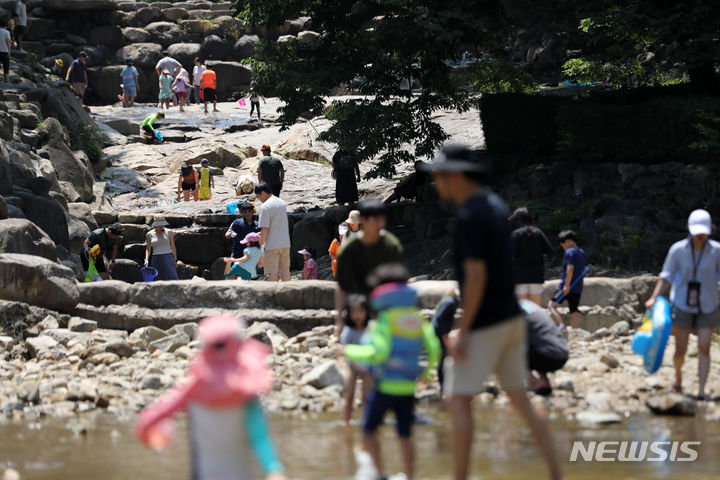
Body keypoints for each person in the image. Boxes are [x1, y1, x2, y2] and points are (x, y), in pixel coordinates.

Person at [424, 144, 563, 480]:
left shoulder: (471, 215)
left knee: (457, 399)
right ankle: (558, 474)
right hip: (513, 318)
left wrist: (464, 331)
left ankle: (459, 476)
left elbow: (475, 276)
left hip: (487, 323)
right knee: (521, 400)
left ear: (456, 175)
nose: (436, 183)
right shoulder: (495, 205)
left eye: (440, 175)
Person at [134, 315, 287, 480]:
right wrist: (274, 470)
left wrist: (155, 437)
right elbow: (260, 439)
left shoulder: (194, 389)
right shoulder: (245, 395)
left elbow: (148, 421)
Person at [339, 264, 440, 480]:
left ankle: (379, 472)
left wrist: (349, 350)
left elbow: (379, 352)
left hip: (384, 386)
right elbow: (434, 347)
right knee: (405, 435)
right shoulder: (416, 318)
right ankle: (410, 476)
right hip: (407, 386)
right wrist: (427, 371)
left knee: (369, 430)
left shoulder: (384, 320)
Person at [645, 209, 720, 400]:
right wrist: (654, 297)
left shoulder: (716, 250)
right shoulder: (678, 250)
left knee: (704, 348)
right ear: (689, 229)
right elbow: (666, 276)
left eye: (703, 231)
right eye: (697, 231)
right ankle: (677, 379)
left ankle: (702, 390)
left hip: (708, 304)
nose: (700, 235)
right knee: (681, 349)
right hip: (682, 303)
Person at [334, 199, 403, 336]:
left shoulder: (391, 245)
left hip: (384, 310)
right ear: (363, 221)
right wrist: (339, 319)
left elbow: (398, 283)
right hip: (356, 311)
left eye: (382, 220)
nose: (380, 224)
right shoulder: (348, 249)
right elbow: (341, 285)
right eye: (375, 220)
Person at [522, 299, 569, 396]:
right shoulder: (529, 305)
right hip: (563, 354)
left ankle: (534, 382)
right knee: (538, 342)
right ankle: (544, 382)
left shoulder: (512, 311)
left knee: (510, 350)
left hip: (546, 356)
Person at [509, 207, 553, 306]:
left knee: (522, 308)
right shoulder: (538, 232)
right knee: (536, 308)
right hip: (536, 275)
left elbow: (511, 256)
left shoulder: (516, 234)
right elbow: (548, 251)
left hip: (519, 276)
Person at [340, 294, 371, 426]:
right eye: (353, 312)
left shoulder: (371, 329)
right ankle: (346, 421)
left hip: (368, 366)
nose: (357, 315)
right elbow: (344, 349)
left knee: (367, 394)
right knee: (349, 394)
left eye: (360, 311)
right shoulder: (349, 331)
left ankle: (366, 420)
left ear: (366, 312)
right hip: (352, 366)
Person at [548, 230, 586, 329]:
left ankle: (561, 326)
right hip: (577, 287)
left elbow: (570, 268)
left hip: (565, 287)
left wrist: (566, 285)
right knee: (574, 310)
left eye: (563, 244)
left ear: (568, 241)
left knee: (551, 306)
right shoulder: (581, 252)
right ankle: (575, 332)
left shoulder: (569, 252)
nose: (563, 247)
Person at [255, 182, 291, 282]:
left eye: (258, 196)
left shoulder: (265, 206)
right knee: (285, 272)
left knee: (272, 273)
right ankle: (288, 293)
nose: (259, 199)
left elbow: (265, 229)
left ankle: (272, 296)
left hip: (272, 246)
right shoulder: (282, 203)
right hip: (285, 244)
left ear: (262, 193)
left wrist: (259, 246)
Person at [432, 289, 459, 393]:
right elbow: (439, 319)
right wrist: (444, 335)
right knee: (443, 357)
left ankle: (444, 382)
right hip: (439, 332)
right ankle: (443, 384)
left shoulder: (446, 300)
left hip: (438, 331)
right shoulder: (450, 303)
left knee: (442, 356)